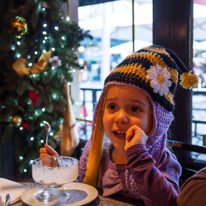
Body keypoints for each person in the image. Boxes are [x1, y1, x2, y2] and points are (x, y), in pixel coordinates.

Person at [40, 45, 198, 206]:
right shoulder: (97, 156)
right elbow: (82, 191)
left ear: (157, 120)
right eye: (112, 107)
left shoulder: (162, 161)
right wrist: (58, 171)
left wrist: (138, 156)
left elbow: (167, 202)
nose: (120, 117)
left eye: (135, 109)